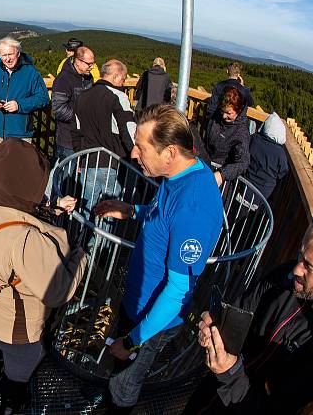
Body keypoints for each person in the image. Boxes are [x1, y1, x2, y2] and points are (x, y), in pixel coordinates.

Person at [93, 104, 224, 412]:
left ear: (169, 153)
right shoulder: (180, 173)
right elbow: (163, 216)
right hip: (138, 303)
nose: (135, 154)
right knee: (117, 375)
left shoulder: (193, 206)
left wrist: (132, 341)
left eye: (141, 148)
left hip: (152, 320)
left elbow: (177, 291)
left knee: (122, 387)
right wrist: (131, 211)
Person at [0, 138, 86, 414]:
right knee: (20, 369)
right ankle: (11, 403)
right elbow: (57, 291)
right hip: (19, 327)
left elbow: (17, 209)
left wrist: (51, 206)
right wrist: (81, 257)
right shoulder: (26, 241)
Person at [185, 205, 313, 413]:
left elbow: (278, 406)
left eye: (309, 265)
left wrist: (230, 372)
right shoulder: (286, 275)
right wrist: (216, 326)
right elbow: (241, 309)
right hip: (211, 391)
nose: (297, 268)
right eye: (299, 255)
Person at [72, 59, 136, 221]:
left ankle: (81, 242)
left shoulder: (82, 97)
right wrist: (136, 156)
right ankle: (99, 246)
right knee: (109, 213)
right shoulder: (118, 97)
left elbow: (76, 132)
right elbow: (128, 130)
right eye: (122, 80)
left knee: (86, 209)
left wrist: (79, 159)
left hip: (88, 162)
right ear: (115, 77)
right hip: (113, 163)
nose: (123, 84)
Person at [0, 37, 49, 145]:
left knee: (19, 162)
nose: (7, 59)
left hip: (21, 135)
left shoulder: (31, 73)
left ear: (18, 53)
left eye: (10, 54)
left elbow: (43, 99)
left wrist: (19, 105)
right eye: (4, 55)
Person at [50, 46, 95, 163]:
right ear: (78, 61)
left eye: (93, 63)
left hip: (84, 137)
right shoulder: (63, 79)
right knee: (66, 175)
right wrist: (81, 116)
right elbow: (58, 109)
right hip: (67, 139)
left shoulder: (88, 78)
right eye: (89, 64)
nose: (92, 67)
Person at [204, 86, 250, 187]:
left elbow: (243, 162)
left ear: (238, 110)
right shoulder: (217, 116)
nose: (224, 116)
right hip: (205, 167)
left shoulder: (241, 132)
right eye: (222, 111)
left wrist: (222, 173)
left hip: (220, 180)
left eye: (228, 113)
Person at [244, 112, 289, 199]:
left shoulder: (254, 139)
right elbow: (283, 172)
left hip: (244, 184)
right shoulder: (280, 153)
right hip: (262, 193)